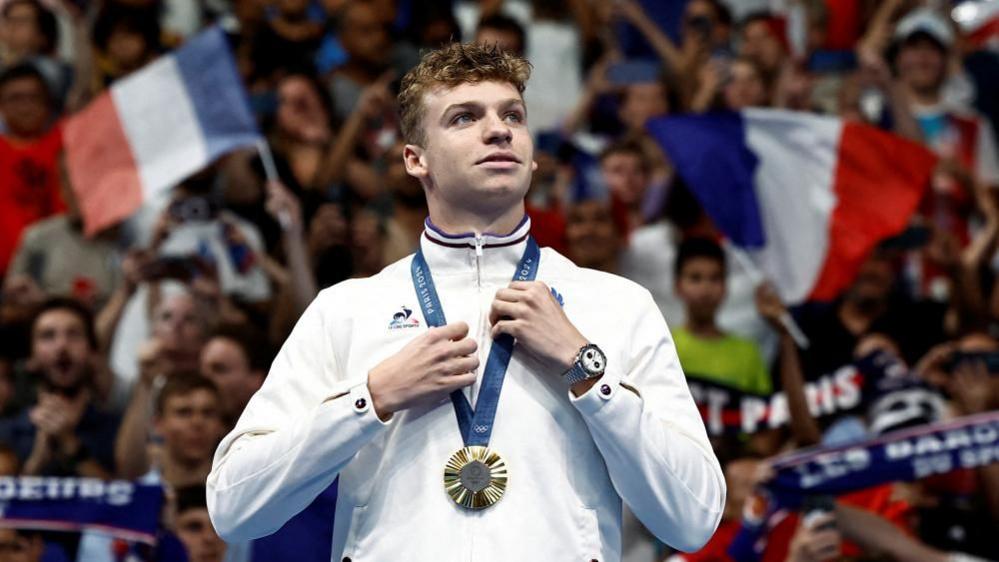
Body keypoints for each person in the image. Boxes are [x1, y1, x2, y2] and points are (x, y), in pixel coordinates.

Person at [207, 42, 724, 561]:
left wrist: (587, 370)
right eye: (464, 117)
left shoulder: (616, 306)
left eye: (513, 116)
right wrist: (372, 397)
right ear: (415, 159)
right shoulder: (345, 311)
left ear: (532, 152)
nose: (498, 129)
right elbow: (234, 505)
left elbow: (693, 518)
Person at [672, 237, 771, 396]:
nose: (706, 289)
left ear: (725, 286)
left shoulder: (748, 353)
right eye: (695, 278)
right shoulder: (664, 348)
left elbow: (761, 414)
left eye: (715, 278)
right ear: (677, 286)